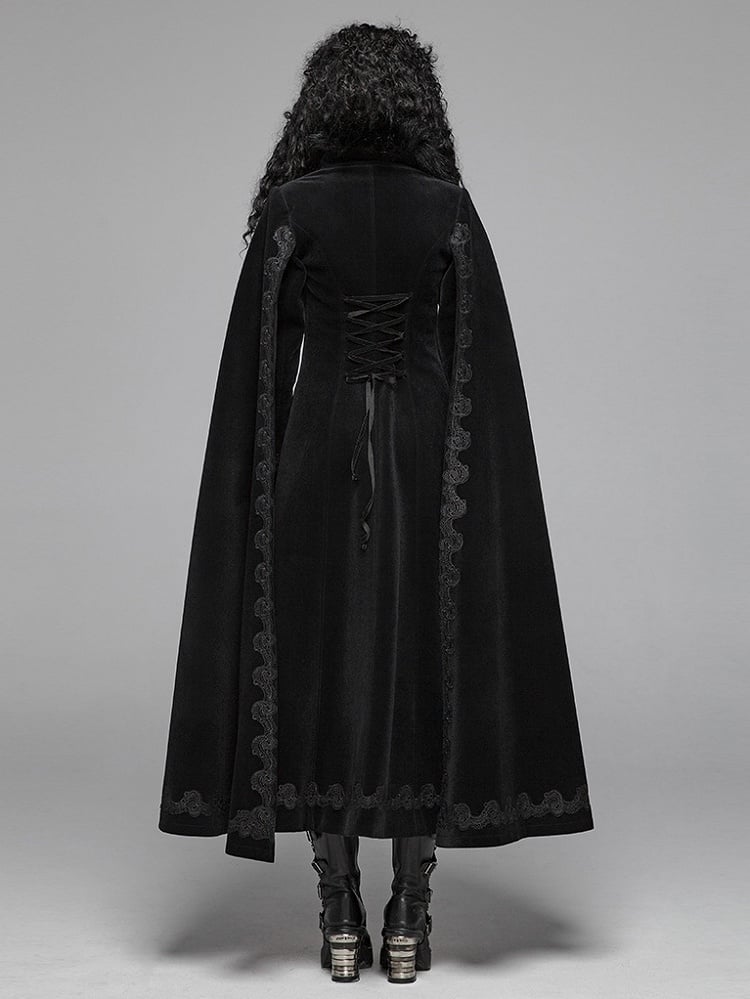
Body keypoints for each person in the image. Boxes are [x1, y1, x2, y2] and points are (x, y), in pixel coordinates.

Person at [158, 21, 594, 984]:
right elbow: (485, 365)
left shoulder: (292, 209)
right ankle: (409, 916)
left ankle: (339, 919)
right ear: (415, 104)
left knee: (320, 667)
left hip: (317, 460)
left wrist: (256, 496)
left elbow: (256, 371)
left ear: (320, 103)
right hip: (432, 456)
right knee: (419, 668)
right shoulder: (449, 210)